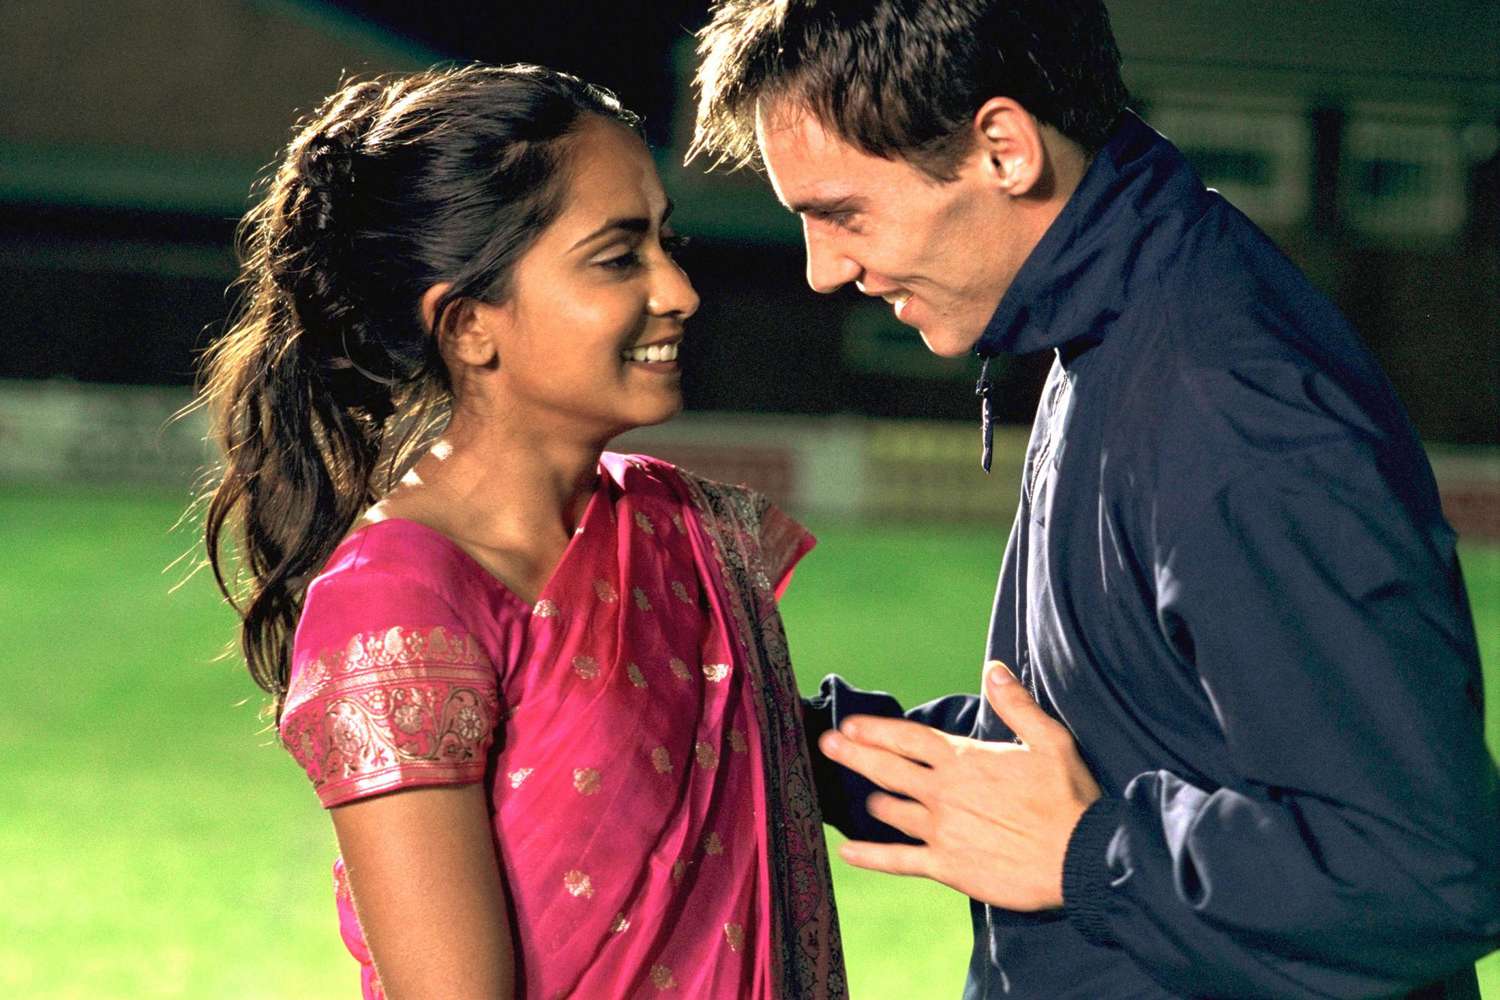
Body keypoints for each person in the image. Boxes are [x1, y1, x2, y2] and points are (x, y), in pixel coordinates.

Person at [692, 2, 1500, 998]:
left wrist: (1089, 854)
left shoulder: (1228, 399)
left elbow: (1420, 868)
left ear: (1004, 149)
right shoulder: (1119, 320)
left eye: (842, 213)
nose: (823, 270)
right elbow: (1120, 737)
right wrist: (780, 742)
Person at [197, 64, 846, 1000]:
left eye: (667, 242)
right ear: (469, 326)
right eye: (618, 258)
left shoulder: (683, 530)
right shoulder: (397, 599)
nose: (680, 290)